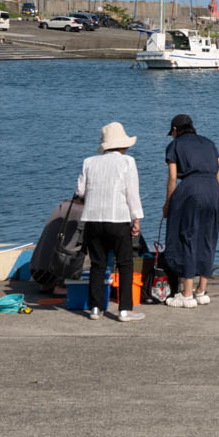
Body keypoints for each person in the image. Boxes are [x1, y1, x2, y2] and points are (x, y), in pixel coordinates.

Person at [74, 121, 145, 322]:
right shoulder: (127, 162)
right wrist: (136, 219)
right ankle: (124, 310)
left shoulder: (89, 162)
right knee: (124, 263)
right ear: (123, 144)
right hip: (118, 218)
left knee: (98, 264)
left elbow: (80, 191)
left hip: (93, 219)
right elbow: (132, 193)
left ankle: (95, 308)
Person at [161, 113, 219, 309]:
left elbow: (172, 177)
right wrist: (213, 192)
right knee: (208, 236)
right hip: (213, 189)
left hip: (190, 189)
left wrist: (168, 203)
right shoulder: (208, 143)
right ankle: (201, 291)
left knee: (186, 236)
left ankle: (186, 294)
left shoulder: (175, 145)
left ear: (175, 130)